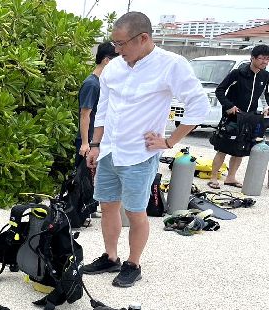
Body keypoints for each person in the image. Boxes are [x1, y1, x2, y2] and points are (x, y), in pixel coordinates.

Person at [83, 12, 209, 287]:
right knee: (107, 206)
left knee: (136, 211)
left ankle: (133, 263)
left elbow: (199, 106)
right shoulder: (114, 68)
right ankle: (110, 256)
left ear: (143, 38)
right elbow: (103, 109)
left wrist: (169, 141)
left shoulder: (171, 65)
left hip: (139, 155)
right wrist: (94, 145)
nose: (116, 50)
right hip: (109, 152)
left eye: (121, 44)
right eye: (113, 43)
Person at [208, 44, 269, 189]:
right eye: (261, 59)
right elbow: (220, 90)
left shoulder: (265, 76)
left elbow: (267, 93)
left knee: (241, 148)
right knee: (223, 147)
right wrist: (228, 106)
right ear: (252, 58)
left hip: (249, 117)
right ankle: (213, 177)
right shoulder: (238, 73)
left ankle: (231, 177)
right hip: (233, 116)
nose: (265, 62)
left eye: (267, 59)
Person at [76, 41, 118, 167]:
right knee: (83, 183)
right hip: (88, 141)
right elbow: (84, 115)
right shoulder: (92, 84)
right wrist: (85, 143)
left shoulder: (103, 82)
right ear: (107, 60)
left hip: (97, 140)